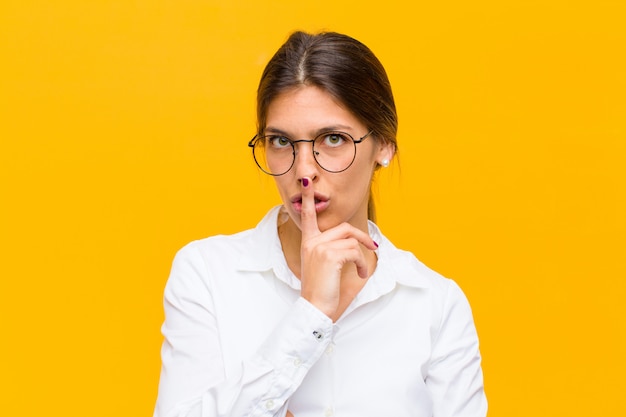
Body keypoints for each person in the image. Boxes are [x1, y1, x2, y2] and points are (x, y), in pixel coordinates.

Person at [153, 31, 487, 417]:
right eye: (281, 142)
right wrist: (309, 314)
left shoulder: (435, 305)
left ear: (384, 146)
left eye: (332, 138)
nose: (304, 171)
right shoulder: (207, 274)